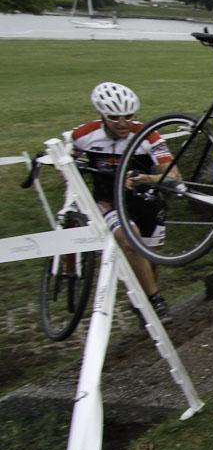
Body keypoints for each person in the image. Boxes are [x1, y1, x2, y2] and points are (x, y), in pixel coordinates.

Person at [69, 82, 175, 323]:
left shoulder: (149, 135)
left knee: (150, 258)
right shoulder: (84, 135)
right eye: (114, 117)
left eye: (129, 116)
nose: (123, 123)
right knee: (130, 238)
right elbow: (67, 160)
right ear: (101, 115)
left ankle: (142, 301)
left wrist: (147, 178)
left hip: (145, 200)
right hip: (108, 201)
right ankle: (156, 301)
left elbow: (173, 176)